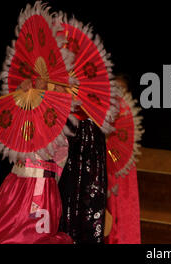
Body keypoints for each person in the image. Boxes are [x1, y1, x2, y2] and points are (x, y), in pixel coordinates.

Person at [0, 78, 73, 244]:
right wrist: (20, 93)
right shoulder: (27, 114)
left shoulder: (58, 122)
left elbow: (57, 155)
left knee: (34, 235)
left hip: (42, 187)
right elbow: (10, 120)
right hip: (17, 185)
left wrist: (50, 93)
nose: (43, 85)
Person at [57, 92, 108, 244]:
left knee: (91, 206)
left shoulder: (96, 101)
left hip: (91, 149)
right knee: (66, 204)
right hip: (67, 150)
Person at [105, 74, 141, 244]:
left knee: (123, 210)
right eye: (114, 88)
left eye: (122, 90)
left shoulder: (126, 120)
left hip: (121, 168)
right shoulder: (103, 112)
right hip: (105, 168)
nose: (118, 94)